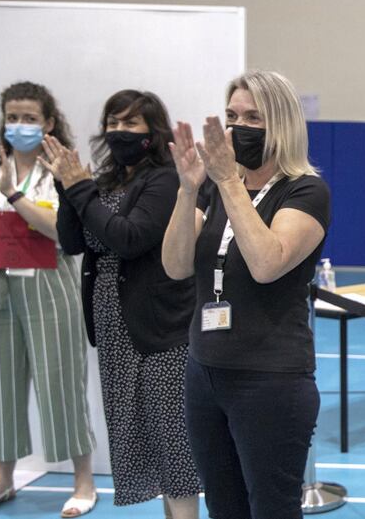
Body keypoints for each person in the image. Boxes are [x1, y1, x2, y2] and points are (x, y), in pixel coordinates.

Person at [162, 70, 330, 518]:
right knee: (224, 506)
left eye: (254, 117)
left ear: (282, 124)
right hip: (205, 372)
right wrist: (188, 188)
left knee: (271, 509)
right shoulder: (214, 190)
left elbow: (267, 262)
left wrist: (231, 184)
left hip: (269, 379)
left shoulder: (306, 190)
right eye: (233, 115)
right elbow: (175, 264)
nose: (238, 127)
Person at [41, 90, 201, 518]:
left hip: (159, 329)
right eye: (113, 122)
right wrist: (66, 187)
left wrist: (80, 188)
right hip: (115, 327)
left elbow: (128, 239)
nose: (119, 131)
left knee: (174, 445)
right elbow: (74, 242)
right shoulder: (109, 181)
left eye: (131, 123)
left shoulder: (165, 180)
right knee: (142, 440)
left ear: (153, 130)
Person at [0, 81, 97, 518]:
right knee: (0, 384)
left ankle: (83, 479)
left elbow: (64, 234)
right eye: (13, 117)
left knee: (61, 384)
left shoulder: (64, 171)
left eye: (30, 118)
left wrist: (15, 195)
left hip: (48, 283)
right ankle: (3, 477)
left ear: (48, 122)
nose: (20, 125)